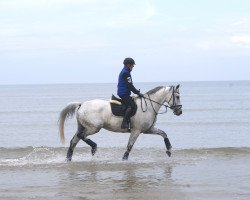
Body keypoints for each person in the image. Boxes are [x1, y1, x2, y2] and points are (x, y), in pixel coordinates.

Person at [117, 57, 143, 129]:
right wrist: (138, 93)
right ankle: (124, 123)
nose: (133, 66)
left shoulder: (125, 71)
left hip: (124, 92)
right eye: (132, 65)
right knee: (131, 106)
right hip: (123, 93)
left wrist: (136, 92)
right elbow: (130, 85)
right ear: (128, 65)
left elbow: (129, 85)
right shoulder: (126, 73)